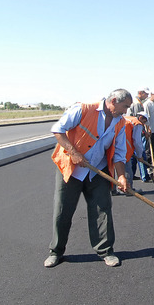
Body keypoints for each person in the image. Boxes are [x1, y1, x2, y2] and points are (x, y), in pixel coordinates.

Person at [44, 89, 132, 268]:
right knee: (63, 212)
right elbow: (58, 130)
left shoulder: (120, 123)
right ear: (113, 100)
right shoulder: (83, 109)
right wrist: (74, 152)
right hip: (71, 169)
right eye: (125, 107)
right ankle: (56, 251)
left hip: (97, 171)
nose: (126, 111)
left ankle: (106, 251)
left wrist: (122, 176)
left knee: (103, 211)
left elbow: (120, 154)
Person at [117, 111, 150, 193]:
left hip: (114, 146)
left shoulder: (127, 118)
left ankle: (113, 190)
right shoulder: (137, 124)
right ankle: (129, 190)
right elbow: (137, 142)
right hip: (125, 149)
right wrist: (139, 155)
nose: (143, 124)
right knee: (128, 170)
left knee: (112, 170)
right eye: (144, 121)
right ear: (141, 118)